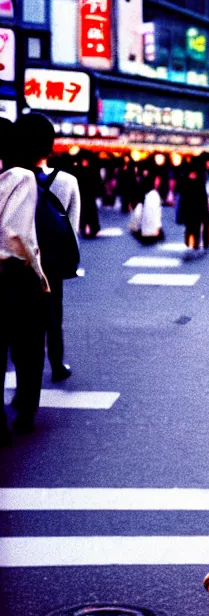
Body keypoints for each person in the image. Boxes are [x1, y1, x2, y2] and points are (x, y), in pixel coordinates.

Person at [15, 112, 80, 383]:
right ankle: (56, 363)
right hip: (51, 261)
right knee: (53, 313)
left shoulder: (9, 178)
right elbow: (72, 228)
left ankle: (23, 383)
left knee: (19, 324)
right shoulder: (67, 181)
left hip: (16, 260)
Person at [0, 118, 49, 443]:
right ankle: (26, 410)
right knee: (29, 348)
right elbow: (16, 236)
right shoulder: (23, 177)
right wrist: (40, 273)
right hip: (15, 275)